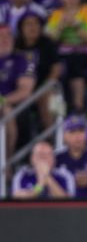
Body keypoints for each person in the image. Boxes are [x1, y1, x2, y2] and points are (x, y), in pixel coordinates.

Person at [45, 0, 87, 114]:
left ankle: (78, 106)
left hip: (85, 53)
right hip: (62, 54)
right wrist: (60, 27)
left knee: (74, 61)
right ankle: (56, 111)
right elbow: (48, 38)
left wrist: (76, 25)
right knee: (51, 65)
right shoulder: (57, 14)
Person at [14, 12, 60, 129]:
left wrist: (46, 85)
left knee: (47, 96)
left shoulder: (47, 44)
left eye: (36, 24)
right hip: (20, 88)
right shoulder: (15, 45)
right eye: (28, 24)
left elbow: (57, 68)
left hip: (44, 87)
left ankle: (50, 137)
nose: (32, 27)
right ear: (21, 28)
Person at [0, 24, 36, 157]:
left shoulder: (24, 59)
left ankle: (7, 161)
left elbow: (25, 91)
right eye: (1, 36)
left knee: (6, 110)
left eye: (8, 35)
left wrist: (3, 101)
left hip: (15, 108)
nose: (5, 39)